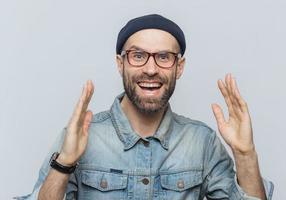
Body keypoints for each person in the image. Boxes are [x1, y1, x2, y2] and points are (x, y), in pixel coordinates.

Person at [17, 14, 273, 200]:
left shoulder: (202, 141)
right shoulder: (81, 137)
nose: (150, 69)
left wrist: (245, 154)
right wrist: (65, 163)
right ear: (121, 64)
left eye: (163, 57)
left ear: (179, 67)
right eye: (138, 56)